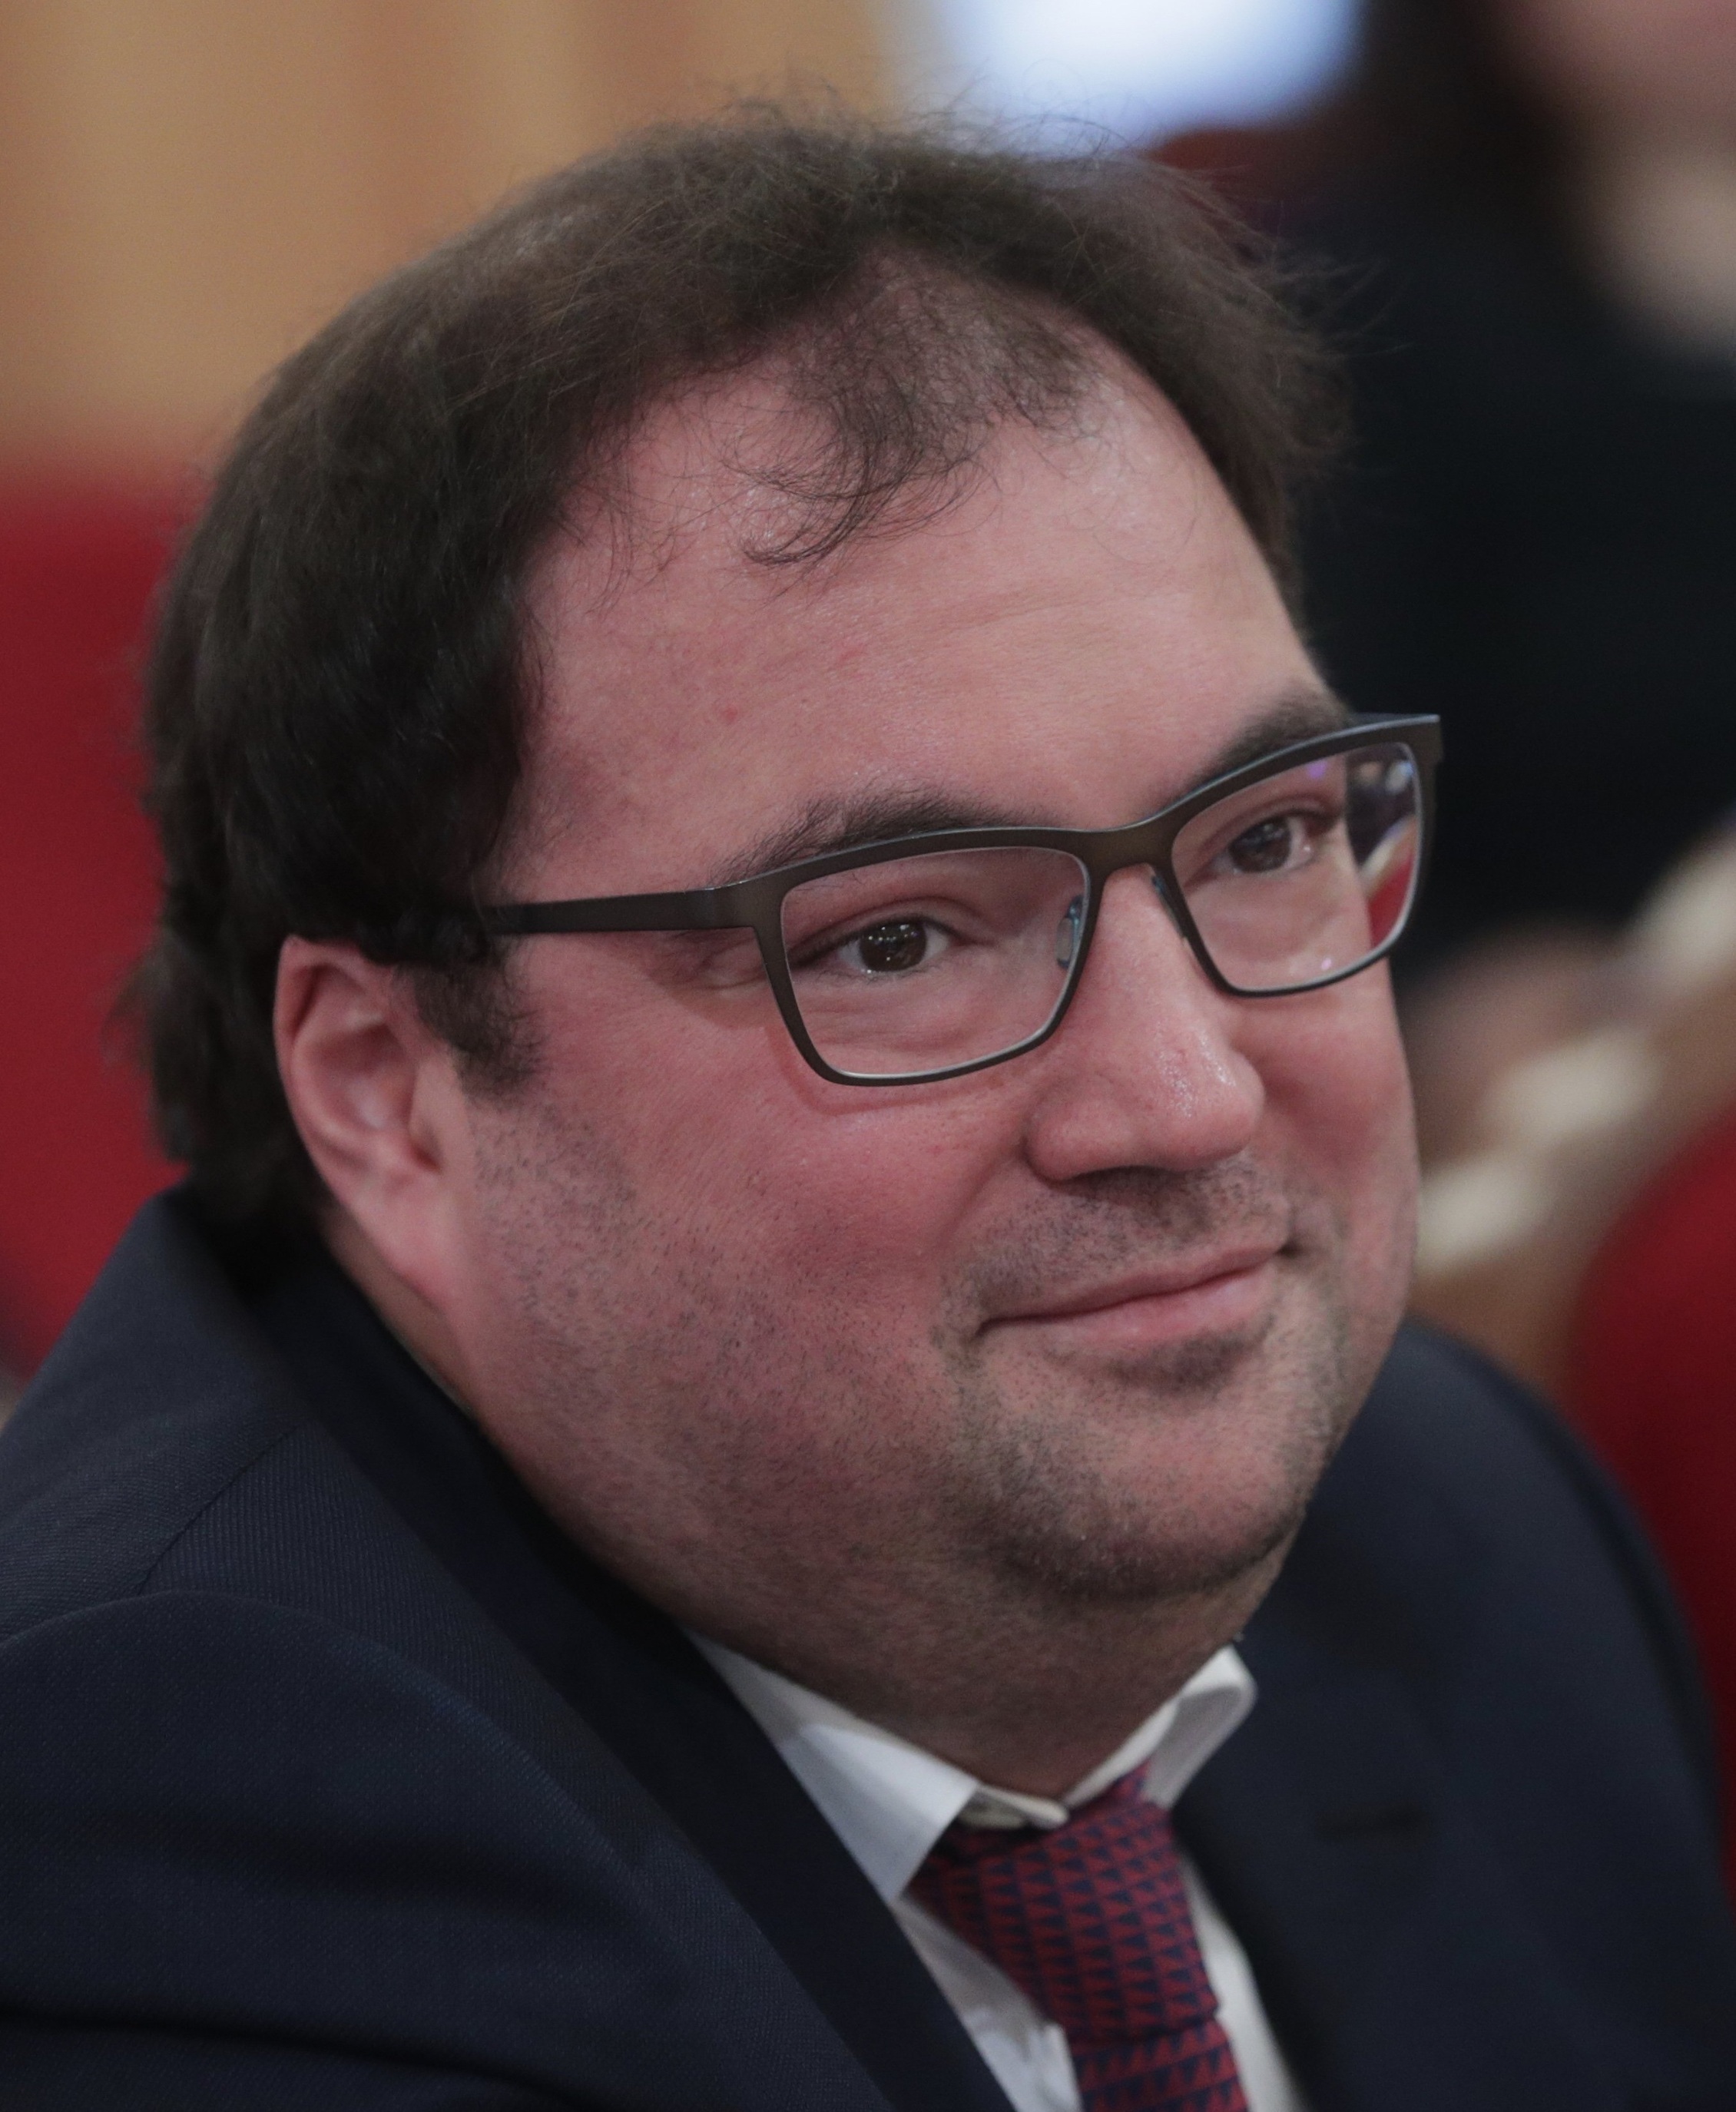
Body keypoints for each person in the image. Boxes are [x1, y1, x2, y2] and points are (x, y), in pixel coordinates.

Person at [0, 111, 1731, 2110]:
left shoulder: (1451, 1513)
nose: (1184, 1095)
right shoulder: (161, 1828)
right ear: (390, 1092)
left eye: (1262, 840)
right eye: (897, 939)